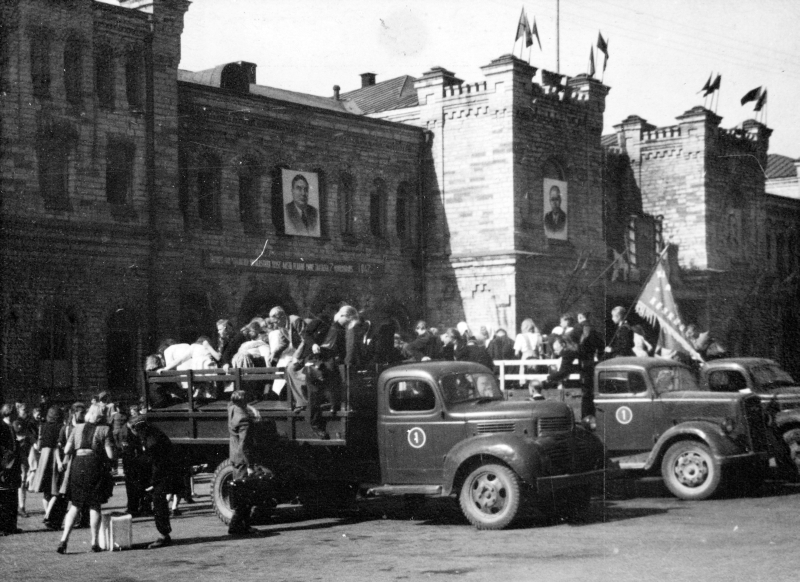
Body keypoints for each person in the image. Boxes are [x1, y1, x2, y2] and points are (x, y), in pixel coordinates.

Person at [57, 403, 115, 554]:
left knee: (75, 505)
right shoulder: (105, 429)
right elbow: (110, 455)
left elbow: (67, 450)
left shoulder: (77, 428)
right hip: (93, 465)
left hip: (77, 465)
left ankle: (64, 540)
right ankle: (94, 542)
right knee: (94, 505)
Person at [301, 305, 358, 439]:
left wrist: (343, 359)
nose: (348, 325)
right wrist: (313, 344)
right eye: (347, 322)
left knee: (334, 380)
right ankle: (315, 425)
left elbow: (342, 347)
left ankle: (333, 407)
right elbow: (306, 333)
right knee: (314, 390)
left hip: (328, 357)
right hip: (314, 356)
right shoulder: (322, 320)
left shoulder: (341, 328)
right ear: (343, 315)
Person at [128, 414, 180, 549]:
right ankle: (164, 533)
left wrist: (150, 482)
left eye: (132, 430)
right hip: (164, 472)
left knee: (159, 503)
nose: (133, 434)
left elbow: (154, 462)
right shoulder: (152, 434)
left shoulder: (152, 441)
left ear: (137, 428)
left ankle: (164, 535)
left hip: (163, 474)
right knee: (159, 503)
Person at [227, 390, 263, 536]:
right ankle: (238, 526)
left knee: (241, 492)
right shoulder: (244, 420)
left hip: (235, 456)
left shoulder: (232, 409)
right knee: (244, 494)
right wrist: (250, 466)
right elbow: (245, 445)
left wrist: (251, 409)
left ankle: (240, 525)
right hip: (243, 458)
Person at [30, 406, 66, 530]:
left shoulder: (43, 426)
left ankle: (47, 515)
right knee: (56, 489)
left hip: (44, 457)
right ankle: (48, 515)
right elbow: (58, 445)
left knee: (46, 491)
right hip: (55, 457)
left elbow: (39, 446)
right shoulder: (61, 427)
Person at [268, 306, 308, 409]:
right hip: (301, 353)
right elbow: (283, 342)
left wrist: (296, 356)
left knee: (291, 368)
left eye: (275, 322)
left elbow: (305, 339)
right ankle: (300, 401)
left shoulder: (295, 320)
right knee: (288, 370)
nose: (274, 325)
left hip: (308, 351)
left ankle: (303, 402)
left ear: (281, 316)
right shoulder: (281, 326)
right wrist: (274, 353)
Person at [576, 312, 605, 418]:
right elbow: (601, 345)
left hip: (583, 362)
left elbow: (575, 343)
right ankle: (592, 415)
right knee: (591, 390)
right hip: (592, 361)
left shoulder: (579, 328)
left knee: (585, 392)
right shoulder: (595, 329)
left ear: (580, 317)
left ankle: (585, 416)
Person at [0, 406, 22, 536]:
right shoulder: (2, 427)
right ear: (9, 414)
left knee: (13, 495)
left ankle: (12, 525)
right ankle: (3, 526)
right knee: (3, 497)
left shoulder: (12, 427)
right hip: (4, 466)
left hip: (13, 466)